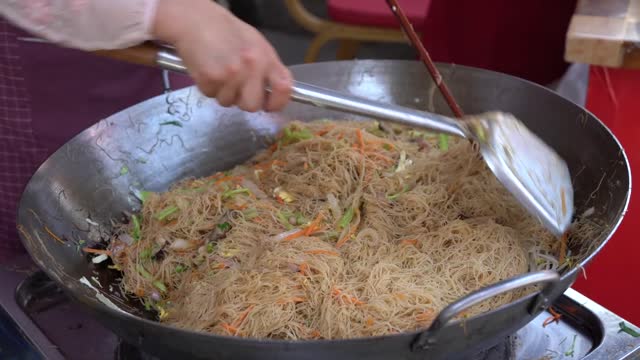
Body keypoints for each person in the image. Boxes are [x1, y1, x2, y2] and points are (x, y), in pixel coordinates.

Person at [0, 0, 293, 261]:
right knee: (50, 236)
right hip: (45, 73)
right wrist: (178, 13)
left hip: (169, 56)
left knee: (171, 211)